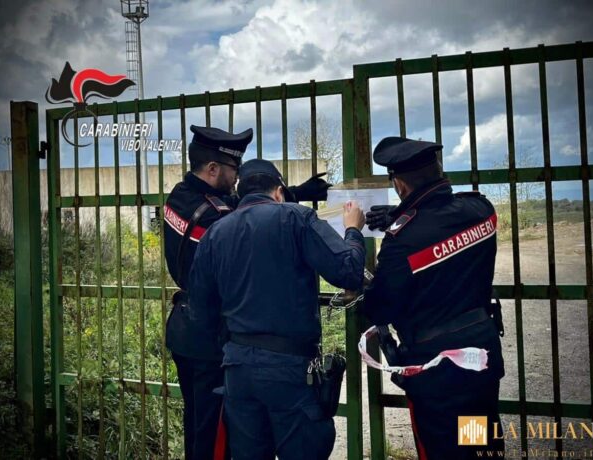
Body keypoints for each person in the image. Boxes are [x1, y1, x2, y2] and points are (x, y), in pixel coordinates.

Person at [163, 126, 332, 459]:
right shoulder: (217, 221)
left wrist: (293, 192)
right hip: (212, 338)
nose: (237, 177)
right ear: (213, 169)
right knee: (215, 439)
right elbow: (247, 217)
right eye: (233, 169)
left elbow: (237, 205)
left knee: (198, 425)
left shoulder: (181, 196)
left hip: (185, 329)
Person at [188, 159, 366, 459]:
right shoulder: (297, 218)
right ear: (279, 192)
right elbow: (348, 272)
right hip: (290, 368)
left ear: (241, 193)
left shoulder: (215, 233)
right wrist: (353, 230)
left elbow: (200, 310)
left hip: (238, 370)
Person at [362, 137, 505, 460]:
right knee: (478, 445)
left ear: (399, 183)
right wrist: (401, 213)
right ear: (439, 169)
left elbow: (380, 307)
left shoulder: (402, 241)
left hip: (438, 372)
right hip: (480, 357)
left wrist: (402, 217)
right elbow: (440, 222)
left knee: (443, 450)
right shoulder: (480, 211)